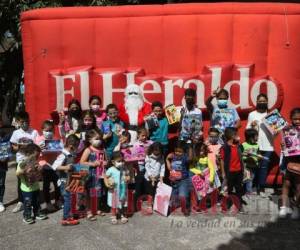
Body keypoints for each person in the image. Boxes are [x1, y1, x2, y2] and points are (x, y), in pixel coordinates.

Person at [10, 111, 39, 213]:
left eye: (27, 121)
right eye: (22, 122)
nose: (25, 123)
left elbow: (37, 146)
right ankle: (21, 202)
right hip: (20, 160)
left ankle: (33, 199)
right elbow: (13, 147)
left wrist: (28, 147)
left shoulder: (34, 132)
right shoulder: (16, 133)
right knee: (20, 181)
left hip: (31, 160)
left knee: (32, 178)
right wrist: (19, 147)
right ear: (18, 122)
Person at [246, 93, 274, 197]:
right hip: (255, 145)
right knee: (253, 166)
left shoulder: (272, 115)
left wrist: (274, 128)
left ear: (267, 102)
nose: (262, 103)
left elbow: (276, 133)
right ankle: (253, 187)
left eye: (264, 101)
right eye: (260, 101)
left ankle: (261, 187)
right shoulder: (252, 114)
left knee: (264, 167)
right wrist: (252, 126)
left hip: (268, 146)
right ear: (256, 102)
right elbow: (247, 131)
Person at [51, 134, 80, 226]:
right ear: (71, 146)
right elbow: (54, 166)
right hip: (64, 181)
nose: (77, 148)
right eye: (77, 146)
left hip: (70, 180)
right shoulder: (63, 155)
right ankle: (66, 218)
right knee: (68, 198)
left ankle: (70, 214)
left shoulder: (71, 154)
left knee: (71, 198)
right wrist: (66, 167)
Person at [16, 144, 48, 224]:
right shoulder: (22, 163)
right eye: (36, 156)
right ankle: (27, 215)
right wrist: (24, 171)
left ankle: (37, 213)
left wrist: (40, 169)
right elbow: (18, 173)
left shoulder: (35, 162)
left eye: (37, 156)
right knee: (28, 203)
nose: (37, 158)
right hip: (26, 189)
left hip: (35, 187)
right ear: (28, 154)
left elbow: (39, 174)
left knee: (36, 201)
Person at [80, 129, 107, 220]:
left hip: (100, 175)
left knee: (99, 193)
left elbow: (106, 160)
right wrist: (92, 164)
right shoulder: (88, 150)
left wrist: (106, 162)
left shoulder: (102, 149)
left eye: (99, 138)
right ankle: (88, 210)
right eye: (96, 139)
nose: (98, 140)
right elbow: (82, 162)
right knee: (89, 193)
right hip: (91, 176)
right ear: (89, 140)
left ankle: (97, 208)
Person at [35, 120, 61, 211]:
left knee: (57, 184)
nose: (48, 132)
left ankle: (58, 201)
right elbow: (35, 154)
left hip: (55, 167)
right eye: (46, 130)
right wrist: (39, 149)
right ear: (42, 130)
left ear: (53, 131)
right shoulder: (38, 140)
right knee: (46, 186)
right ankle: (48, 203)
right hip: (44, 167)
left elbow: (59, 153)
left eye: (50, 130)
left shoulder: (56, 139)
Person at [279, 108, 300, 219]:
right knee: (286, 184)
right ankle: (283, 207)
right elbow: (284, 144)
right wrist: (283, 146)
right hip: (288, 160)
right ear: (291, 119)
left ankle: (296, 208)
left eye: (299, 119)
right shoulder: (286, 129)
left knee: (298, 186)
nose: (297, 121)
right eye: (295, 119)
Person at [220, 127, 245, 214]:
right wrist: (223, 172)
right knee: (228, 190)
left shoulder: (239, 146)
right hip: (229, 172)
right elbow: (222, 160)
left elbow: (242, 157)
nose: (238, 136)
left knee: (239, 189)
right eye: (236, 135)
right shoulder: (224, 148)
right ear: (231, 136)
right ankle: (226, 204)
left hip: (239, 171)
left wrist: (244, 170)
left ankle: (239, 205)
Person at [166, 141, 193, 216]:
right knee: (173, 196)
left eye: (180, 152)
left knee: (183, 195)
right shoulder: (173, 157)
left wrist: (190, 147)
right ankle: (170, 208)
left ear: (184, 152)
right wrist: (167, 160)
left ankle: (186, 208)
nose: (177, 153)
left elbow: (190, 158)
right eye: (176, 151)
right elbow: (169, 168)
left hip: (183, 180)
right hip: (174, 181)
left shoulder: (184, 157)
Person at [104, 151, 130, 224]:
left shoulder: (124, 168)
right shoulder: (111, 169)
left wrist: (128, 178)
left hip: (123, 190)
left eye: (122, 161)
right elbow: (105, 177)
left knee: (123, 203)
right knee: (114, 204)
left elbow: (128, 175)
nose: (121, 163)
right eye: (119, 161)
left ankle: (122, 215)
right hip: (114, 191)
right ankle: (113, 215)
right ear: (113, 162)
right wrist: (107, 184)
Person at [132, 127, 153, 211]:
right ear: (138, 136)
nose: (144, 137)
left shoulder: (150, 143)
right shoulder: (136, 144)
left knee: (148, 181)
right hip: (140, 164)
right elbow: (133, 155)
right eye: (142, 135)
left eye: (145, 135)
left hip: (149, 164)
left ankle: (149, 199)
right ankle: (137, 200)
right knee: (139, 182)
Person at [0, 112, 14, 212]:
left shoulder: (5, 136)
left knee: (1, 183)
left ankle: (0, 201)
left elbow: (8, 149)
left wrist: (7, 156)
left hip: (2, 165)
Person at [241, 128, 260, 196]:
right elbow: (240, 154)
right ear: (250, 137)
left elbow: (258, 154)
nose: (257, 138)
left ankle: (248, 189)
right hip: (246, 164)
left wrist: (259, 157)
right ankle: (248, 191)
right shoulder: (243, 145)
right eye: (256, 136)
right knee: (248, 178)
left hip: (255, 165)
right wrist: (245, 155)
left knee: (252, 178)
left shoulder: (257, 145)